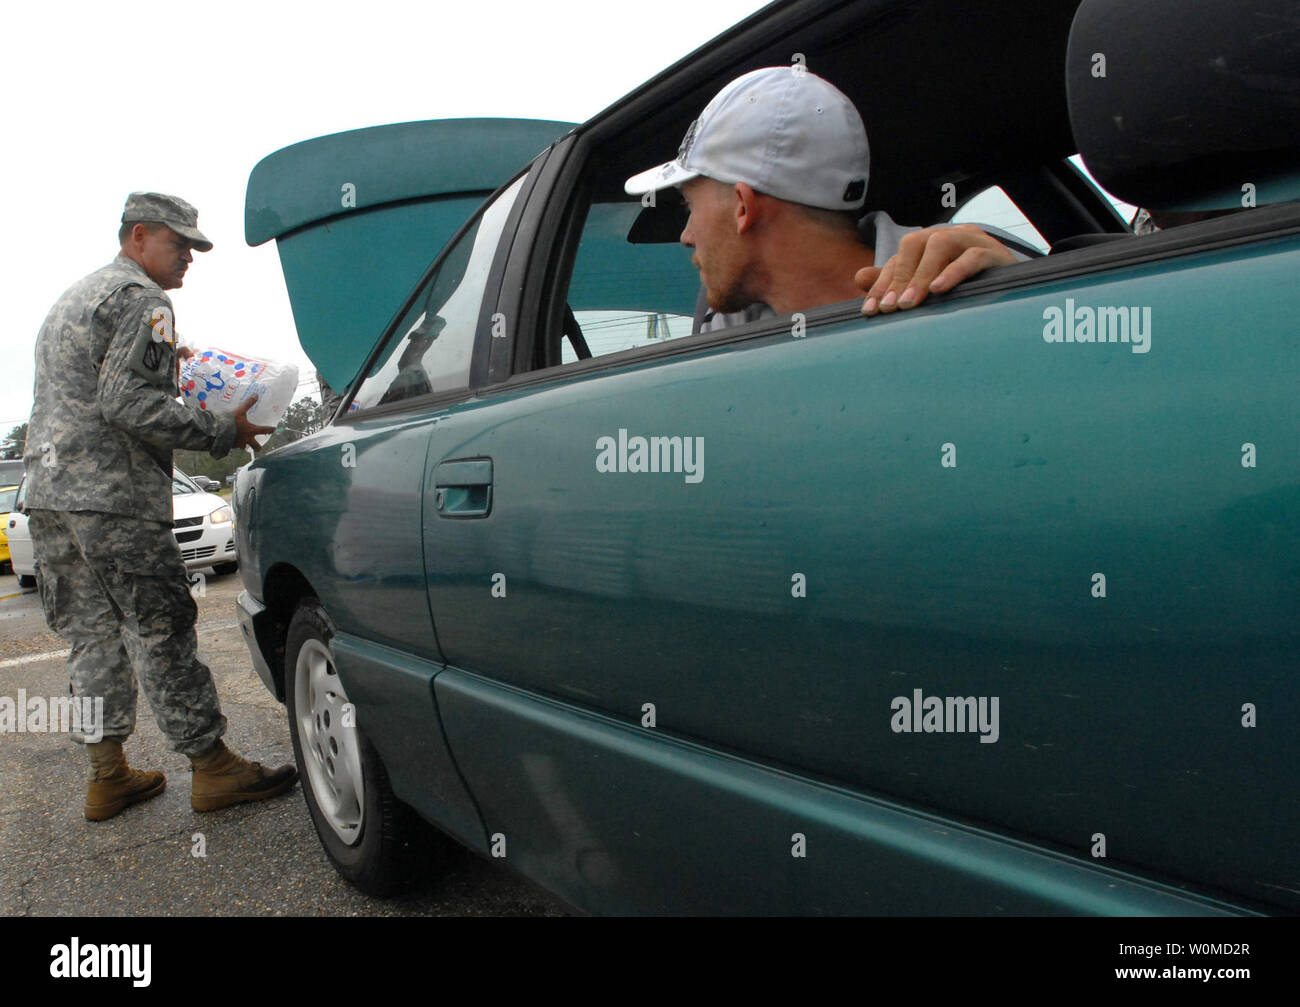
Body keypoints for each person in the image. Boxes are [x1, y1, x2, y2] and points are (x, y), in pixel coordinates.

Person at [24, 192, 298, 821]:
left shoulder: (77, 297)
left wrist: (166, 372)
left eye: (195, 248)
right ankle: (212, 767)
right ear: (139, 235)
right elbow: (126, 407)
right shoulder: (145, 299)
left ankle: (107, 775)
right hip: (111, 496)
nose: (189, 259)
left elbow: (93, 391)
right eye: (180, 245)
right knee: (161, 625)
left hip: (51, 496)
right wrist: (223, 430)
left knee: (91, 635)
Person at [623, 65, 1019, 329]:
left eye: (690, 206)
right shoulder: (732, 325)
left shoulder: (958, 261)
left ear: (743, 207)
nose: (686, 235)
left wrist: (1016, 292)